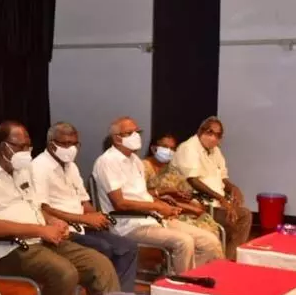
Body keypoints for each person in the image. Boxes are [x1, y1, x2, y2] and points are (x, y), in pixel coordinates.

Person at [0, 121, 120, 295]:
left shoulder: (21, 169)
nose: (27, 152)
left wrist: (53, 222)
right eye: (21, 147)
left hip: (38, 240)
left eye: (28, 146)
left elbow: (36, 207)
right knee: (63, 273)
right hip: (3, 250)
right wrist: (40, 230)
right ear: (3, 147)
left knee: (100, 265)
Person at [92, 117, 223, 275]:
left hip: (152, 218)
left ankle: (187, 278)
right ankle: (179, 287)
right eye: (130, 133)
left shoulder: (135, 161)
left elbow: (142, 195)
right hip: (128, 224)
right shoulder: (107, 162)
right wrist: (156, 206)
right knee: (184, 242)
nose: (136, 136)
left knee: (209, 241)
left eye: (137, 132)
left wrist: (163, 205)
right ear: (116, 138)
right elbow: (120, 204)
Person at [32, 122, 138, 292]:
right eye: (65, 144)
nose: (71, 148)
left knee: (127, 247)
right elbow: (43, 208)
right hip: (62, 230)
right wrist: (84, 218)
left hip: (82, 226)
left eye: (75, 144)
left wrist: (97, 217)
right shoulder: (39, 167)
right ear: (51, 144)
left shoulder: (71, 166)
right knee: (104, 248)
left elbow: (83, 201)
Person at [171, 117, 252, 260]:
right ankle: (226, 261)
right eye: (210, 132)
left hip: (217, 202)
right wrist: (221, 199)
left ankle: (227, 260)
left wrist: (233, 188)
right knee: (240, 218)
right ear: (200, 131)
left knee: (242, 215)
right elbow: (193, 180)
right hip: (198, 203)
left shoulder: (215, 151)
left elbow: (222, 177)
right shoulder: (188, 148)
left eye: (218, 135)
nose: (213, 138)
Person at [142, 133, 223, 244]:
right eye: (165, 147)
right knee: (203, 234)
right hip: (158, 212)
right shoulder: (143, 167)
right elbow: (140, 195)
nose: (169, 151)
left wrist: (187, 200)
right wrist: (165, 192)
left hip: (179, 209)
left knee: (208, 223)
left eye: (172, 148)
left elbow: (184, 193)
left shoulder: (172, 169)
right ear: (153, 148)